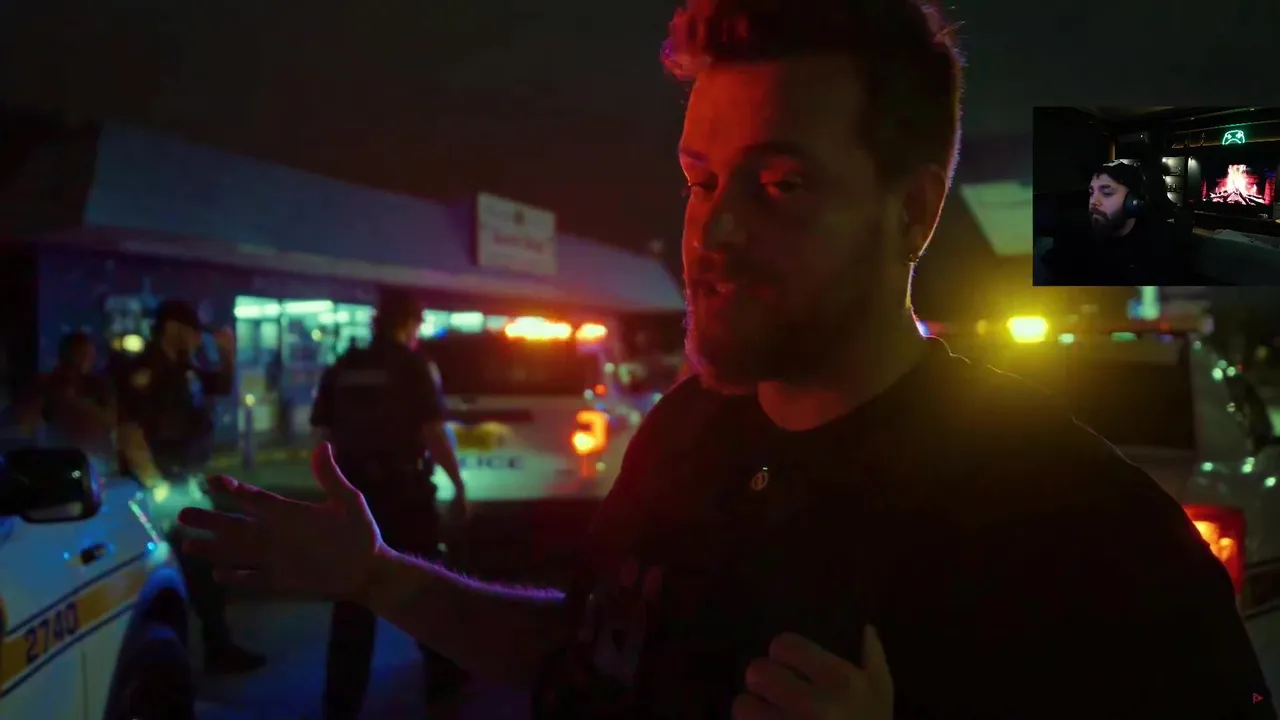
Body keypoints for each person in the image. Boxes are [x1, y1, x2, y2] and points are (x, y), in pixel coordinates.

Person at [178, 1, 1274, 717]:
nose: (717, 231)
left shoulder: (1078, 529)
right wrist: (379, 576)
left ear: (912, 212)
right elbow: (589, 656)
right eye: (702, 179)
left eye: (781, 184)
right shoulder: (685, 435)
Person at [309, 289, 470, 719]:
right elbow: (433, 431)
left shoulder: (344, 366)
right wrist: (458, 485)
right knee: (424, 589)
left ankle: (340, 705)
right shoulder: (412, 366)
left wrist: (333, 492)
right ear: (408, 323)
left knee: (353, 602)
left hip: (356, 497)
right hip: (406, 496)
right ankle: (443, 690)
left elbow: (322, 436)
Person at [116, 299, 265, 674]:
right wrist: (158, 486)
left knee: (200, 564)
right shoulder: (148, 370)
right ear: (172, 328)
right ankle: (193, 653)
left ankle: (209, 647)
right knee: (186, 567)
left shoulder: (185, 367)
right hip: (163, 487)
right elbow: (130, 432)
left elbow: (219, 385)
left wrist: (228, 355)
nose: (199, 339)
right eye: (193, 331)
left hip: (183, 482)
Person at [1038, 161, 1204, 285]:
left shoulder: (1161, 245)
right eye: (1091, 192)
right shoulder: (1076, 236)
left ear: (1134, 202)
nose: (1093, 201)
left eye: (1106, 192)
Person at [17, 331, 115, 462]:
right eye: (83, 354)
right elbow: (25, 423)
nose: (89, 359)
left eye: (89, 355)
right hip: (53, 456)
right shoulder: (44, 385)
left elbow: (110, 423)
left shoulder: (97, 387)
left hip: (88, 458)